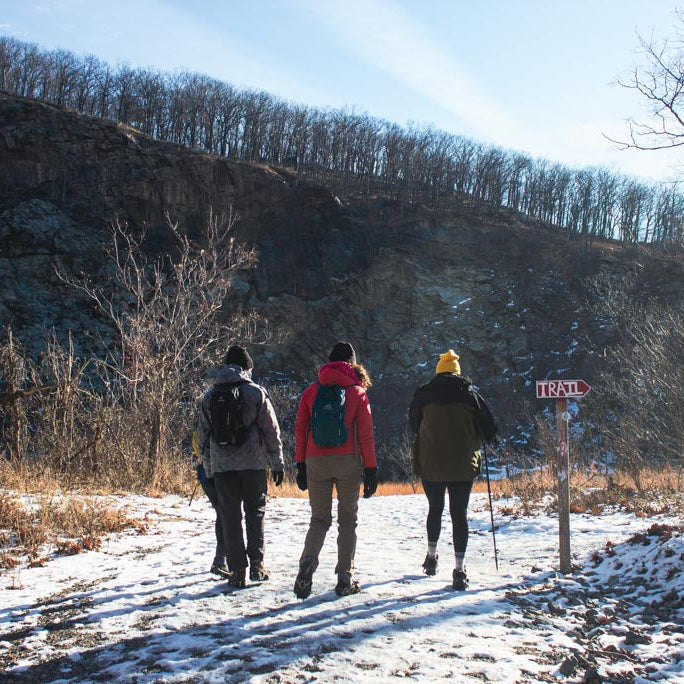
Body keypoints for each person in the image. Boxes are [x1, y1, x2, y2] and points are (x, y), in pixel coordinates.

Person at [293, 341, 377, 598]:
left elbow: (300, 430)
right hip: (347, 460)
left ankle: (307, 563)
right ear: (352, 364)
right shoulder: (357, 392)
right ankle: (344, 577)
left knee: (319, 519)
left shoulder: (311, 392)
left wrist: (300, 464)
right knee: (347, 521)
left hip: (315, 459)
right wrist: (371, 468)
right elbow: (365, 436)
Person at [196, 345, 285, 588]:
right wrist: (277, 463)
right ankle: (256, 565)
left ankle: (236, 572)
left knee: (230, 517)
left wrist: (209, 467)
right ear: (247, 367)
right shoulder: (256, 393)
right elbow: (271, 430)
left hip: (223, 466)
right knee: (255, 512)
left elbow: (202, 436)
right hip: (253, 463)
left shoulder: (210, 395)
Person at [409, 350, 496, 591]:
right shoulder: (471, 397)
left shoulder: (423, 395)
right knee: (459, 514)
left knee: (434, 509)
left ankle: (432, 556)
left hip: (431, 463)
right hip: (462, 465)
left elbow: (413, 426)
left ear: (438, 371)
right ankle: (459, 569)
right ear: (458, 373)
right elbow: (489, 431)